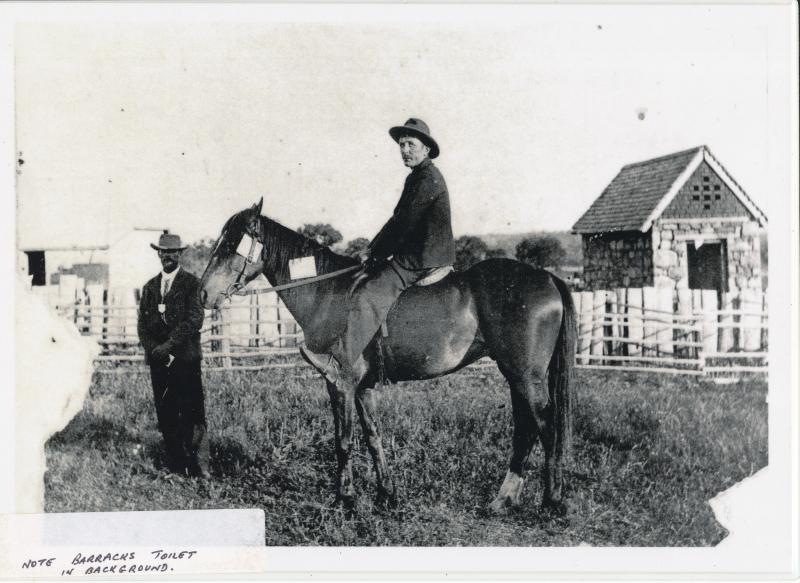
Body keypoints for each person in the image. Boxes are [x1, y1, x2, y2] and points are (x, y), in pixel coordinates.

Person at [301, 118, 455, 382]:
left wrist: (377, 254)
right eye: (402, 145)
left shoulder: (427, 178)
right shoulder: (418, 177)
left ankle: (338, 362)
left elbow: (404, 224)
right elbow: (397, 219)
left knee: (369, 295)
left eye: (411, 144)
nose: (405, 150)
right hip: (416, 254)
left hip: (420, 259)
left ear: (426, 149)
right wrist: (372, 249)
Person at [137, 231, 209, 477]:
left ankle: (200, 467)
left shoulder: (192, 284)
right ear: (158, 253)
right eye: (164, 251)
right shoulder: (149, 288)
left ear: (180, 254)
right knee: (166, 411)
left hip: (185, 359)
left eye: (173, 252)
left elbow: (193, 321)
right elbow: (142, 326)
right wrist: (154, 350)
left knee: (192, 411)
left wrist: (168, 347)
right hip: (159, 362)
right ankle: (175, 465)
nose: (168, 256)